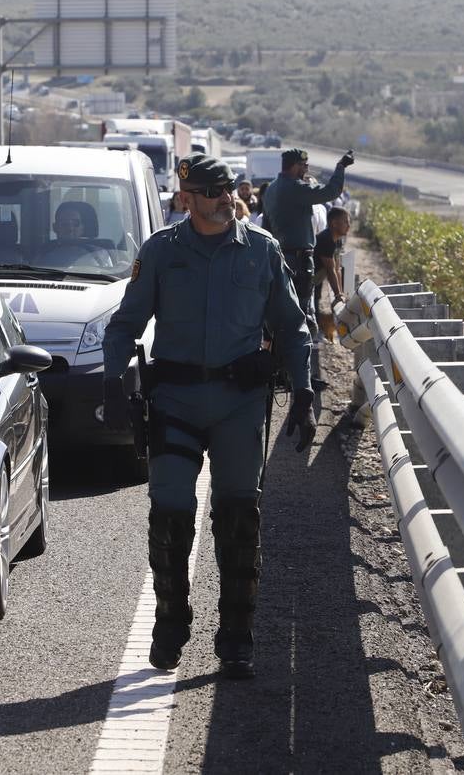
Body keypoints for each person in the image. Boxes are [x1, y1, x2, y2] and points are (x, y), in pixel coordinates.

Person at [102, 153, 313, 680]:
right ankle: (171, 624)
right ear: (186, 199)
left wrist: (306, 393)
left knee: (239, 517)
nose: (226, 200)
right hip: (174, 402)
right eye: (213, 192)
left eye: (228, 191)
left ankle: (237, 636)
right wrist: (112, 381)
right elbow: (123, 325)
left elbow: (293, 326)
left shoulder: (261, 251)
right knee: (169, 513)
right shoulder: (161, 253)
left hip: (239, 405)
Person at [261, 147, 353, 402]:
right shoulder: (294, 188)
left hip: (280, 258)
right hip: (300, 260)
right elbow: (330, 192)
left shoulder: (271, 190)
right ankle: (299, 379)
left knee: (281, 317)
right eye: (304, 166)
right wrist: (341, 167)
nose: (306, 170)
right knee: (301, 319)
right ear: (294, 166)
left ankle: (281, 371)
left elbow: (267, 229)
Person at [313, 207, 351, 315]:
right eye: (346, 222)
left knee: (316, 309)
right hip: (306, 281)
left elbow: (337, 268)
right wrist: (338, 295)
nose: (349, 226)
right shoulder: (326, 240)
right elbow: (330, 271)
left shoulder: (337, 240)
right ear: (334, 223)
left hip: (317, 280)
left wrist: (341, 293)